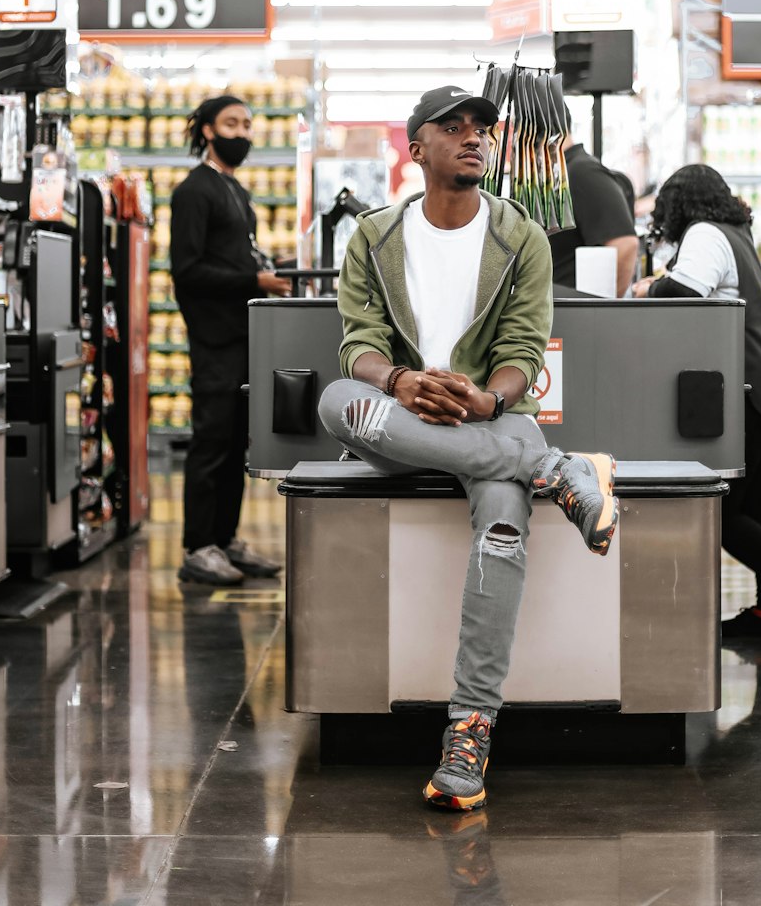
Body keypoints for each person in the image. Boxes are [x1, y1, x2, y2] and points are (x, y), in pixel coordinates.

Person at [318, 85, 619, 812]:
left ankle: (469, 730)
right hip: (402, 414)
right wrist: (401, 380)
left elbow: (522, 349)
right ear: (416, 149)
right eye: (452, 127)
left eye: (481, 126)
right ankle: (554, 469)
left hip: (492, 419)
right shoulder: (374, 237)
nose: (473, 136)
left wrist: (488, 399)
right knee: (334, 400)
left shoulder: (520, 238)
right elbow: (357, 343)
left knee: (505, 522)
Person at [632, 164, 761, 641]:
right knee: (758, 503)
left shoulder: (704, 233)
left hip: (745, 387)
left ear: (679, 204)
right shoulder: (734, 231)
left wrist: (647, 287)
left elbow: (683, 291)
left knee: (721, 512)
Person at [170, 94, 291, 587]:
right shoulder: (193, 191)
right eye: (231, 123)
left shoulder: (235, 190)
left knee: (237, 443)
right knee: (211, 443)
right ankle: (199, 547)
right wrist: (253, 282)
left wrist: (267, 270)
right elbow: (188, 270)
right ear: (206, 130)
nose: (242, 132)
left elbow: (239, 258)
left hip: (245, 337)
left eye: (247, 123)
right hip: (215, 339)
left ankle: (226, 539)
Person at [549, 123, 638, 297]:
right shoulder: (561, 173)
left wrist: (599, 311)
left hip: (578, 315)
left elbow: (625, 245)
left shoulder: (581, 172)